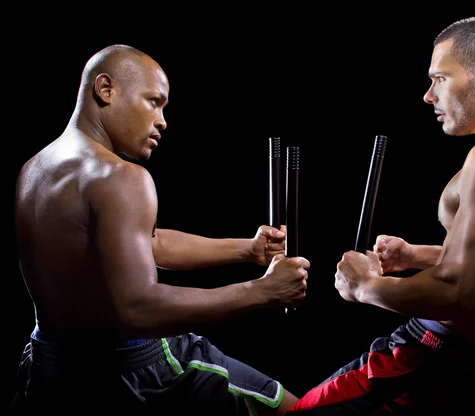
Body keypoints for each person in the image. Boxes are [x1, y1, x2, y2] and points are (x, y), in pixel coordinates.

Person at [285, 14, 475, 414]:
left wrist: (364, 287)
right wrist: (417, 255)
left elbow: (460, 294)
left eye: (440, 79)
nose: (429, 95)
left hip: (434, 364)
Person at [11, 44, 311, 415]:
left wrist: (247, 249)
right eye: (154, 101)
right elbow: (136, 308)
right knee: (299, 412)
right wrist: (262, 291)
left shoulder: (35, 170)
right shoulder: (121, 178)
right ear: (105, 90)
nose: (163, 120)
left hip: (49, 366)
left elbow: (145, 244)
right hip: (131, 366)